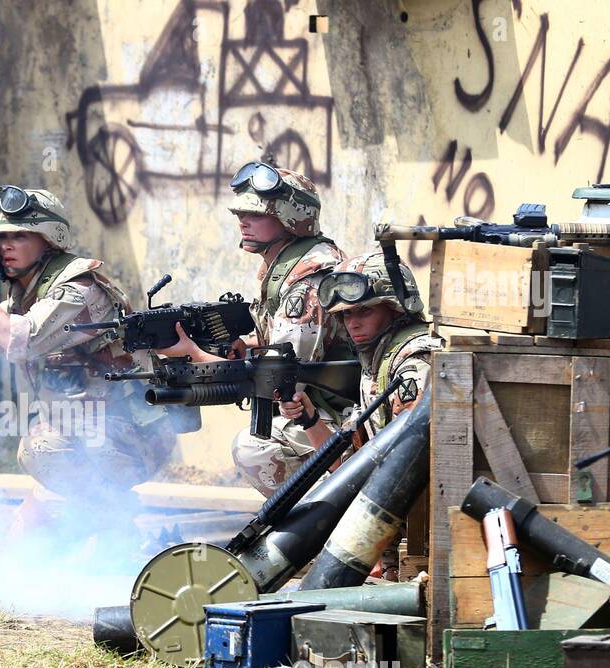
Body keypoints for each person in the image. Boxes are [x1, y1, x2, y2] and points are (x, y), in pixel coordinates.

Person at [0, 185, 175, 542]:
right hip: (83, 433)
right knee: (20, 547)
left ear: (48, 240)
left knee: (38, 447)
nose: (6, 246)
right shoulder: (27, 290)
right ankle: (98, 515)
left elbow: (22, 341)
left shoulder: (76, 289)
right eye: (0, 238)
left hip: (132, 434)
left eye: (20, 236)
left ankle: (115, 515)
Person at [154, 162, 351, 496]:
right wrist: (246, 344)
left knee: (254, 449)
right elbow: (280, 340)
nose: (242, 222)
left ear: (290, 217)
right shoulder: (283, 266)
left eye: (256, 215)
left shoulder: (310, 277)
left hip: (340, 417)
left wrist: (196, 356)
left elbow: (282, 377)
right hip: (317, 407)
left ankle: (331, 515)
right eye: (240, 214)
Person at [278, 249, 442, 578]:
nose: (352, 322)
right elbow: (351, 467)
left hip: (421, 530)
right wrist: (309, 418)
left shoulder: (414, 363)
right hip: (391, 516)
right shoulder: (376, 361)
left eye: (364, 310)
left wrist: (370, 547)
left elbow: (407, 469)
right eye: (344, 314)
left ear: (396, 307)